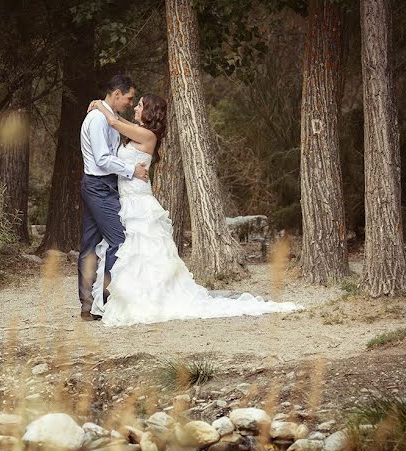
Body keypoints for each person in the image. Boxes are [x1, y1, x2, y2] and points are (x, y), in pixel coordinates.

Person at [85, 94, 304, 326]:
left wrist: (101, 105)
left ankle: (145, 298)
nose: (135, 108)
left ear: (149, 112)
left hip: (139, 201)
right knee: (131, 250)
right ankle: (128, 295)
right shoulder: (137, 132)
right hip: (126, 200)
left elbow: (114, 123)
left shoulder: (148, 135)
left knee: (144, 249)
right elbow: (120, 123)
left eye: (139, 105)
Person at [78, 74, 149, 322]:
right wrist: (133, 171)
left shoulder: (107, 116)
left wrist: (100, 104)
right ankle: (108, 302)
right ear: (116, 94)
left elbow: (117, 125)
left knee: (90, 245)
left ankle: (89, 306)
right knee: (119, 241)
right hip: (99, 186)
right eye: (129, 98)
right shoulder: (98, 120)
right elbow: (102, 159)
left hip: (101, 186)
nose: (130, 103)